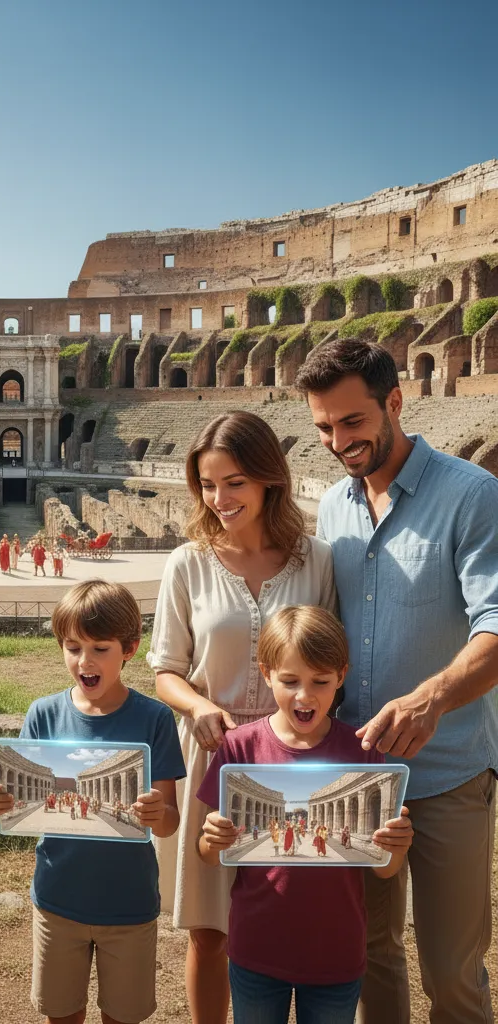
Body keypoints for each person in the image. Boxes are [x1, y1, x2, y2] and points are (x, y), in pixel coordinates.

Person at [294, 339, 498, 1024]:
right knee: (371, 955)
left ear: (395, 403)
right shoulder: (333, 509)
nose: (337, 441)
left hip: (447, 772)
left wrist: (432, 696)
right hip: (358, 772)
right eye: (324, 427)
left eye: (352, 422)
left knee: (452, 970)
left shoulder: (473, 496)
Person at [148, 410, 336, 1024]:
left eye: (234, 482)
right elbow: (166, 670)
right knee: (211, 930)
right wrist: (200, 705)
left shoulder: (317, 560)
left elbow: (329, 659)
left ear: (267, 479)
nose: (220, 498)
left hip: (296, 757)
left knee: (292, 914)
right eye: (208, 484)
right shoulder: (187, 563)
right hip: (214, 753)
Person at [0, 579, 186, 1024]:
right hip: (58, 897)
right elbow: (23, 805)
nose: (85, 661)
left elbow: (169, 821)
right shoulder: (42, 712)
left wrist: (157, 813)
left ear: (129, 648)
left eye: (100, 648)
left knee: (123, 1015)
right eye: (73, 647)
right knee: (61, 1012)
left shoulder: (155, 718)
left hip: (128, 902)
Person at [197, 605, 413, 1024]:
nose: (304, 695)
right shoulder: (238, 748)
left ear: (342, 676)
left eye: (321, 681)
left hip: (336, 952)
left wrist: (396, 847)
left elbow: (384, 870)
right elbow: (207, 854)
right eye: (290, 680)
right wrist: (212, 838)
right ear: (266, 673)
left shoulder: (363, 752)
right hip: (256, 948)